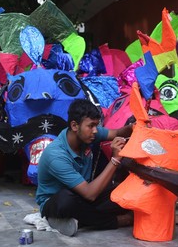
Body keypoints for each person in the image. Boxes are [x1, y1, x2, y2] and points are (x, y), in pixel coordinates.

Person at [35, 98, 134, 236]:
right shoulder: (56, 155)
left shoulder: (88, 133)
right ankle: (116, 221)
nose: (95, 131)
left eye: (96, 126)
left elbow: (116, 133)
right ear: (75, 126)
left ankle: (78, 221)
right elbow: (90, 194)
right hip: (56, 201)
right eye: (91, 126)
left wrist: (132, 128)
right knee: (67, 200)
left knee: (123, 190)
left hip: (83, 195)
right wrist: (115, 159)